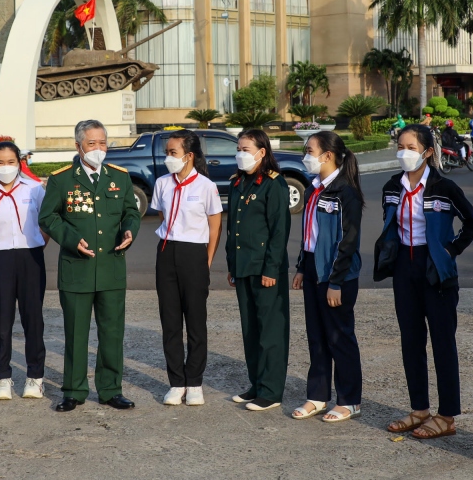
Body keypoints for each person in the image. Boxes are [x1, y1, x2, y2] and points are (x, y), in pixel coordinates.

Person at [375, 124, 473, 439]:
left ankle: (446, 416)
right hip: (404, 269)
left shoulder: (443, 187)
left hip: (436, 270)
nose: (403, 152)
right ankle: (419, 409)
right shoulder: (392, 186)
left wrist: (451, 250)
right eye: (400, 146)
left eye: (410, 147)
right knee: (411, 340)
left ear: (427, 152)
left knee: (443, 342)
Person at [39, 119, 141, 412]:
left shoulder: (119, 177)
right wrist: (71, 239)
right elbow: (48, 217)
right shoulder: (62, 179)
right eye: (92, 143)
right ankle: (73, 390)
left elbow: (131, 212)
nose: (98, 149)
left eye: (103, 143)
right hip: (77, 269)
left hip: (111, 267)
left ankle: (110, 390)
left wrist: (130, 230)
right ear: (78, 146)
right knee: (76, 332)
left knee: (111, 332)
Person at [291, 131, 364, 422]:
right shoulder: (313, 188)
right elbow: (308, 234)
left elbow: (348, 241)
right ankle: (317, 396)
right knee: (317, 336)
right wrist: (300, 267)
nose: (306, 157)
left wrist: (335, 282)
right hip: (312, 268)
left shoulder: (346, 192)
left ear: (328, 156)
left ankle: (349, 400)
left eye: (310, 151)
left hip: (337, 273)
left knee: (339, 337)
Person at [149, 130, 222, 407]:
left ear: (189, 156)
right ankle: (176, 382)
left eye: (173, 153)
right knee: (169, 320)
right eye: (167, 152)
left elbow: (215, 226)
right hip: (167, 251)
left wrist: (207, 260)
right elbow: (163, 216)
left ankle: (194, 382)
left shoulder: (206, 186)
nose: (168, 158)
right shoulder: (162, 184)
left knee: (195, 321)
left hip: (194, 253)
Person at [225, 129, 292, 411]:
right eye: (238, 148)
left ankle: (272, 391)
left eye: (246, 148)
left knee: (270, 331)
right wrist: (232, 266)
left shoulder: (274, 185)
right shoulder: (238, 182)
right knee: (251, 329)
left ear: (262, 152)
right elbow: (234, 229)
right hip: (243, 267)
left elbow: (279, 231)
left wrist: (271, 269)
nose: (241, 153)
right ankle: (257, 383)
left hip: (265, 268)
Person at [0, 140, 49, 401]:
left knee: (33, 319)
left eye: (11, 162)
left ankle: (35, 377)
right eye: (0, 162)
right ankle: (2, 378)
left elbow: (46, 222)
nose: (5, 167)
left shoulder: (34, 190)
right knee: (1, 321)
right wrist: (1, 247)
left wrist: (35, 243)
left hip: (30, 257)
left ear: (19, 163)